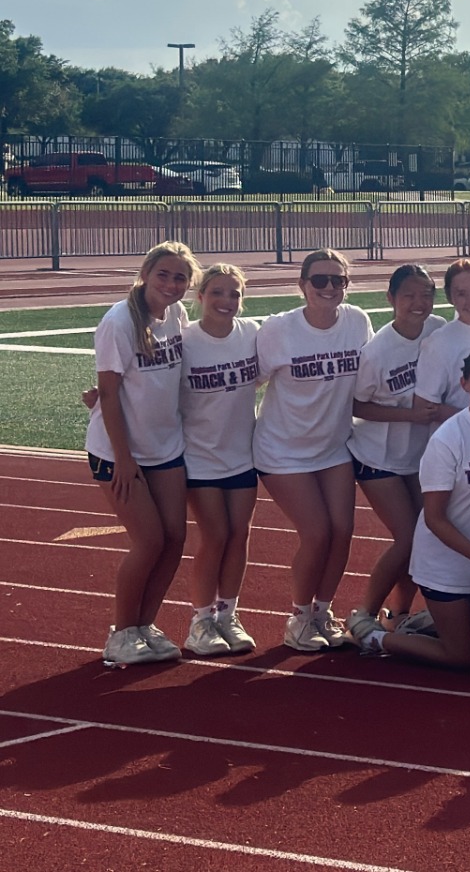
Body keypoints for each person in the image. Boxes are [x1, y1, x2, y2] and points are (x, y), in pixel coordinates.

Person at [372, 346, 470, 668]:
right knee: (463, 659)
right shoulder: (448, 439)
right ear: (465, 384)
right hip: (448, 566)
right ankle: (377, 637)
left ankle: (424, 623)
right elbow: (433, 518)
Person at [256, 249, 374, 651]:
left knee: (342, 532)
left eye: (336, 280)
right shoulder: (279, 329)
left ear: (347, 285)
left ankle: (323, 612)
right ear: (302, 285)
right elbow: (243, 380)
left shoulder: (358, 321)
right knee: (317, 532)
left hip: (334, 447)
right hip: (282, 449)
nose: (328, 288)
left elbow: (371, 379)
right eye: (319, 280)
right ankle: (299, 617)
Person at [89, 242, 197, 666]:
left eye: (181, 278)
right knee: (149, 541)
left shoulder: (177, 316)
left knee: (175, 539)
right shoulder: (118, 321)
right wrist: (124, 457)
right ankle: (121, 632)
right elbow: (111, 395)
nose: (172, 285)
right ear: (146, 273)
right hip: (119, 452)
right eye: (164, 275)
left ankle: (145, 625)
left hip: (165, 447)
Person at [345, 265, 449, 652]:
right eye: (408, 295)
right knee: (408, 537)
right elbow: (357, 405)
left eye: (426, 293)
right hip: (378, 458)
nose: (418, 303)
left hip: (419, 456)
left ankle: (399, 613)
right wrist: (408, 415)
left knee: (424, 537)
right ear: (391, 299)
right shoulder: (377, 351)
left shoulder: (439, 329)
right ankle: (362, 613)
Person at [177, 262, 261, 656]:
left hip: (242, 455)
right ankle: (200, 620)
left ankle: (228, 614)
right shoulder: (185, 340)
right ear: (201, 297)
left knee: (239, 535)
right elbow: (153, 382)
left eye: (234, 293)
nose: (226, 301)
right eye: (217, 293)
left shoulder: (253, 334)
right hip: (199, 456)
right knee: (215, 536)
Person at [413, 259, 470, 441]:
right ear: (450, 298)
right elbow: (425, 406)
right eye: (461, 294)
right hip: (460, 441)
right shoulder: (439, 343)